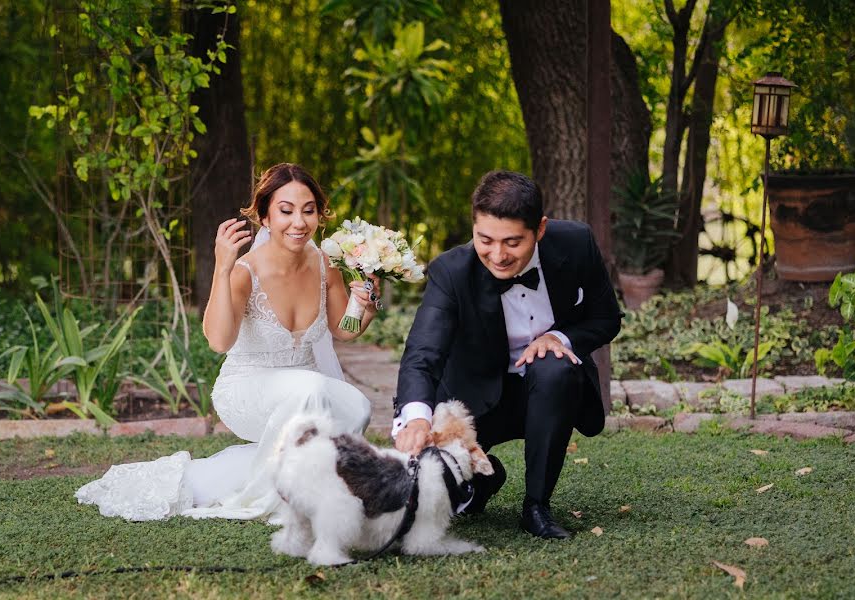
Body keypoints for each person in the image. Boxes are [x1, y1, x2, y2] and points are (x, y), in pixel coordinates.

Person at [76, 163, 378, 521]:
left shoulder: (325, 263)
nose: (299, 222)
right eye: (286, 211)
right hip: (249, 389)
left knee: (357, 406)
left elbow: (342, 329)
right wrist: (222, 267)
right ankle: (287, 497)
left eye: (308, 210)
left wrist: (367, 306)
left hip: (304, 392)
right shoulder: (244, 272)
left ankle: (224, 477)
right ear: (264, 217)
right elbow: (219, 341)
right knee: (313, 391)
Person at [392, 170, 622, 539]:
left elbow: (607, 318)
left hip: (548, 389)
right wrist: (416, 417)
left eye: (512, 242)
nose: (497, 255)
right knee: (429, 496)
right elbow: (423, 351)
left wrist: (560, 337)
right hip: (472, 397)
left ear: (540, 229)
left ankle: (536, 506)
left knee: (555, 368)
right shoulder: (450, 272)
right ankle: (483, 480)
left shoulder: (576, 243)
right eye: (485, 240)